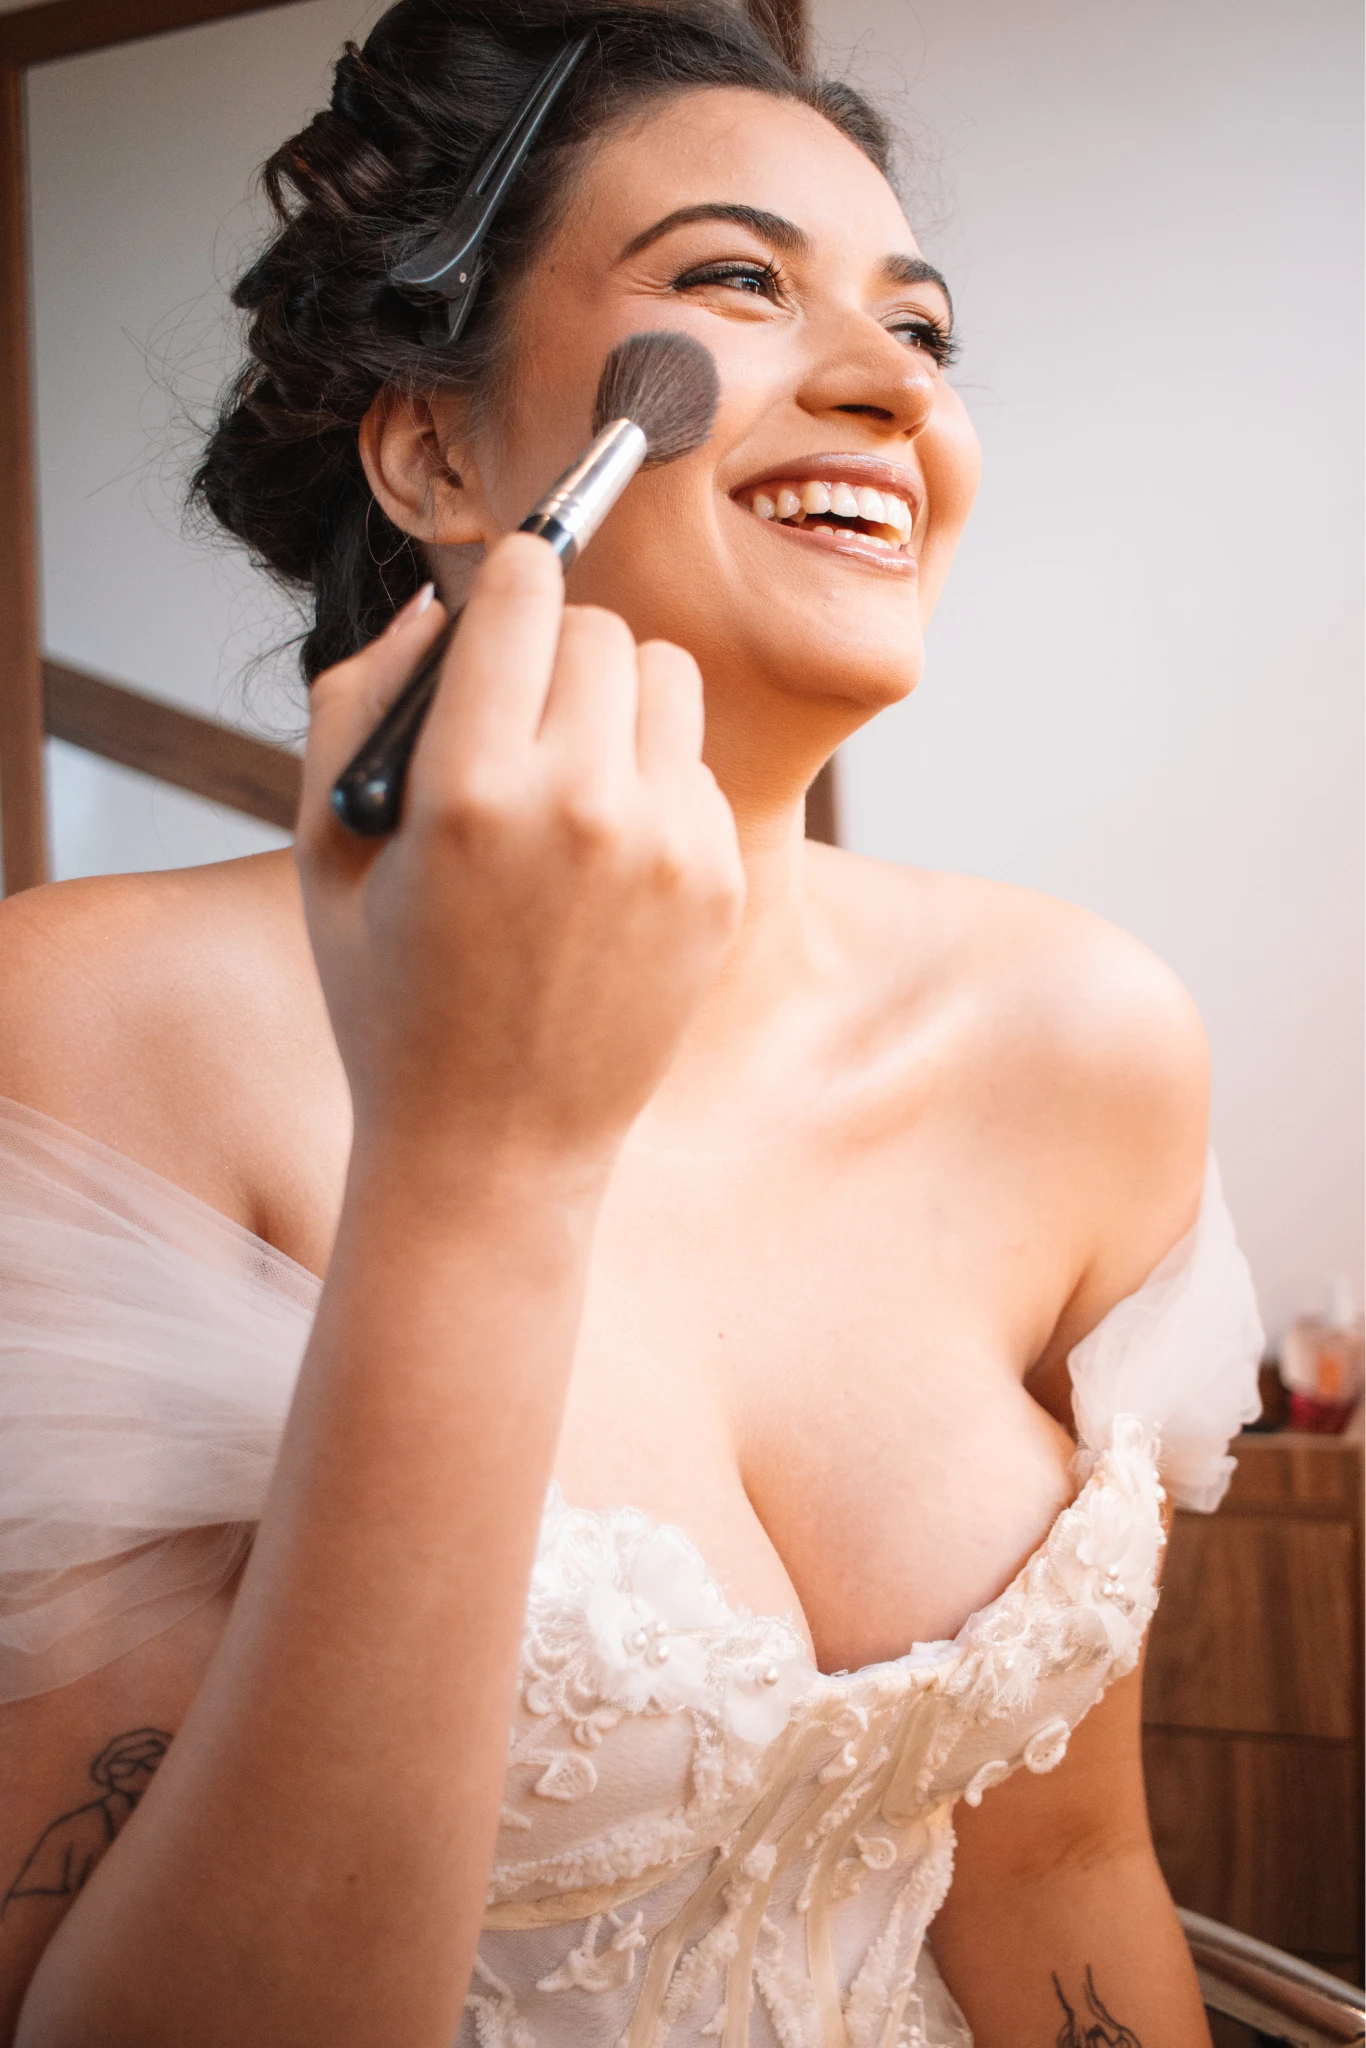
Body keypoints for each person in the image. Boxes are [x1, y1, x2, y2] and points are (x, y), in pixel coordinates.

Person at [0, 4, 1262, 2044]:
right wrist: (473, 1161)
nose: (889, 386)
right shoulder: (83, 1031)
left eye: (920, 329)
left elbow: (1058, 1873)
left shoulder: (1083, 1035)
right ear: (436, 451)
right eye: (735, 284)